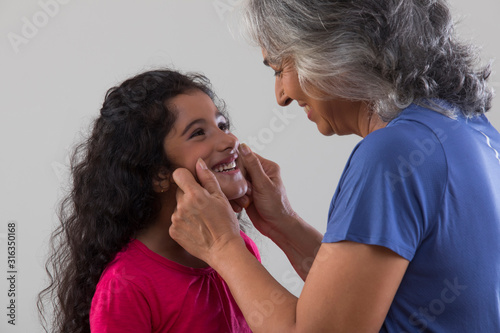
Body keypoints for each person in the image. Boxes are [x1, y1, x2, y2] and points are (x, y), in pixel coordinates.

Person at [168, 0, 500, 332]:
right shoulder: (472, 132)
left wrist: (223, 246)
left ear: (331, 46)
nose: (281, 96)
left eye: (281, 68)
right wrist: (282, 223)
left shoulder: (391, 154)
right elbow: (362, 299)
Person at [37, 69, 259, 333]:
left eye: (222, 125)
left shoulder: (239, 248)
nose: (230, 140)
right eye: (198, 132)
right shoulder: (127, 286)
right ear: (159, 174)